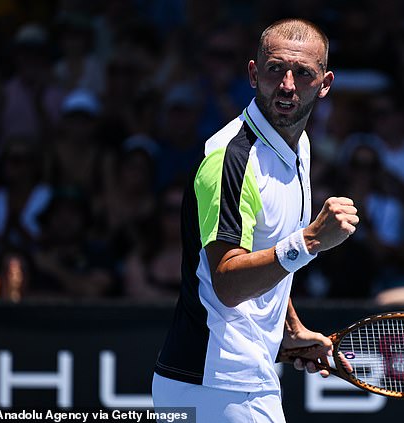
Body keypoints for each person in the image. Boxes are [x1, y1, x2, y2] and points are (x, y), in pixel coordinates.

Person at [152, 19, 358, 423]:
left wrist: (290, 328)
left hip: (236, 378)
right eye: (275, 69)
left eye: (303, 73)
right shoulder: (231, 158)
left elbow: (266, 251)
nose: (287, 85)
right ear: (252, 74)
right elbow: (227, 281)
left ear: (325, 83)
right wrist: (311, 240)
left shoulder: (298, 147)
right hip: (215, 382)